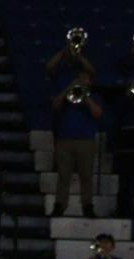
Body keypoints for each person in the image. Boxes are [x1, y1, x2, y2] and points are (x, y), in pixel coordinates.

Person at [50, 71, 102, 217]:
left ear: (91, 82)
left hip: (86, 141)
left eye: (85, 78)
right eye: (79, 78)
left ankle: (87, 207)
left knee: (86, 176)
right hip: (64, 140)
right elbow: (55, 106)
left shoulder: (95, 97)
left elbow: (98, 113)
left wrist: (86, 97)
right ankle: (59, 206)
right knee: (63, 176)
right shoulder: (67, 96)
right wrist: (67, 89)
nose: (81, 80)